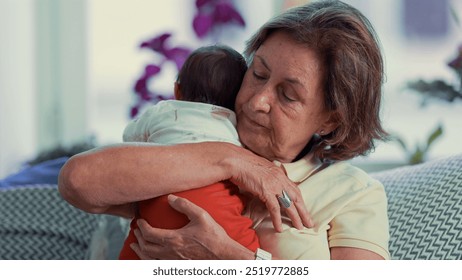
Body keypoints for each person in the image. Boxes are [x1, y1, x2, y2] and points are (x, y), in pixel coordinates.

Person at [59, 0, 390, 260]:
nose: (258, 100)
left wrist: (231, 260)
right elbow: (77, 181)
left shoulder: (352, 194)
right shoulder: (195, 141)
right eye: (258, 74)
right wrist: (232, 160)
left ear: (330, 119)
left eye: (288, 95)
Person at [118, 45, 260, 259]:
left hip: (158, 209)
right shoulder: (238, 128)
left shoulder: (163, 111)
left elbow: (129, 140)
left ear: (177, 90)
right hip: (219, 216)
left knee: (137, 245)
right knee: (247, 249)